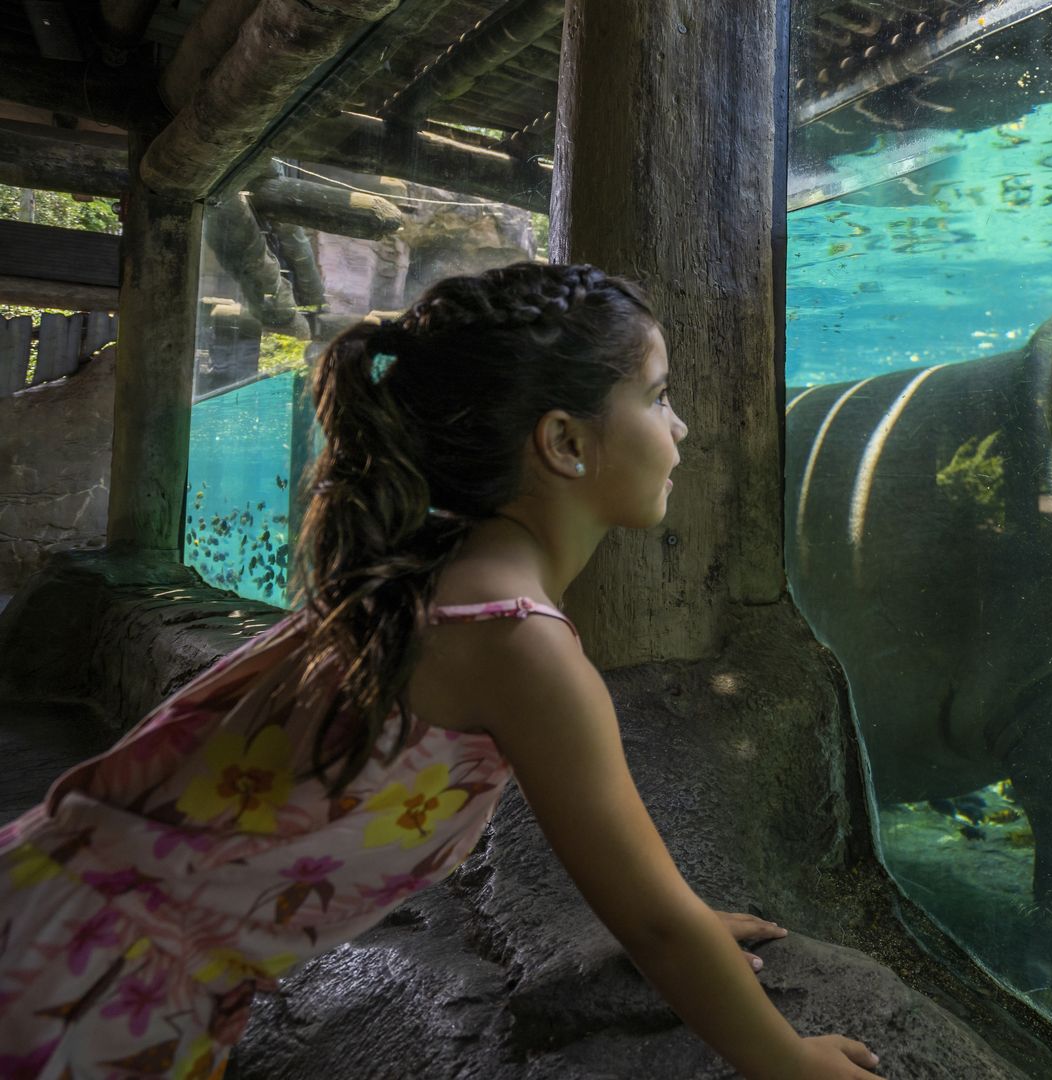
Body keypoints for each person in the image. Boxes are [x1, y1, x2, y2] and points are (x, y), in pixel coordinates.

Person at [0, 262, 885, 1080]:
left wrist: (686, 931)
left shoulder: (417, 574)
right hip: (85, 990)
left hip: (46, 913)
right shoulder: (516, 642)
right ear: (566, 442)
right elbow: (653, 925)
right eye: (658, 397)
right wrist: (790, 1064)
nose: (681, 425)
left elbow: (644, 897)